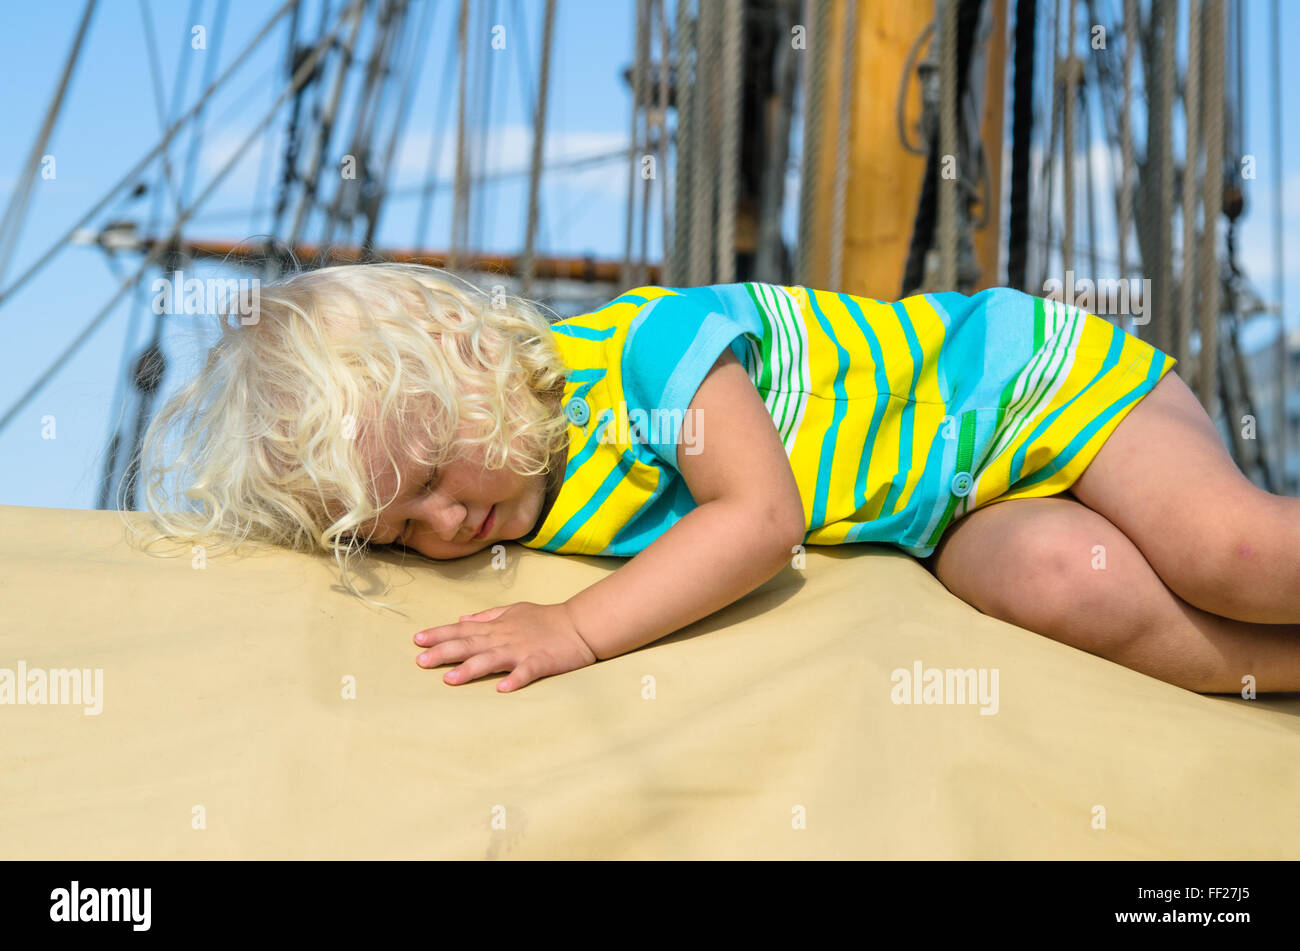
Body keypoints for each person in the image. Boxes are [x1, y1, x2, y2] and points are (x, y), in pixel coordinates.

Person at [133, 262, 1300, 694]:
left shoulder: (650, 351)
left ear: (470, 355)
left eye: (436, 468)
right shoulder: (520, 500)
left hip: (1020, 386)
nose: (447, 519)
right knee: (1066, 583)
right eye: (402, 530)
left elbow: (761, 516)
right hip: (956, 507)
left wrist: (577, 630)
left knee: (1234, 557)